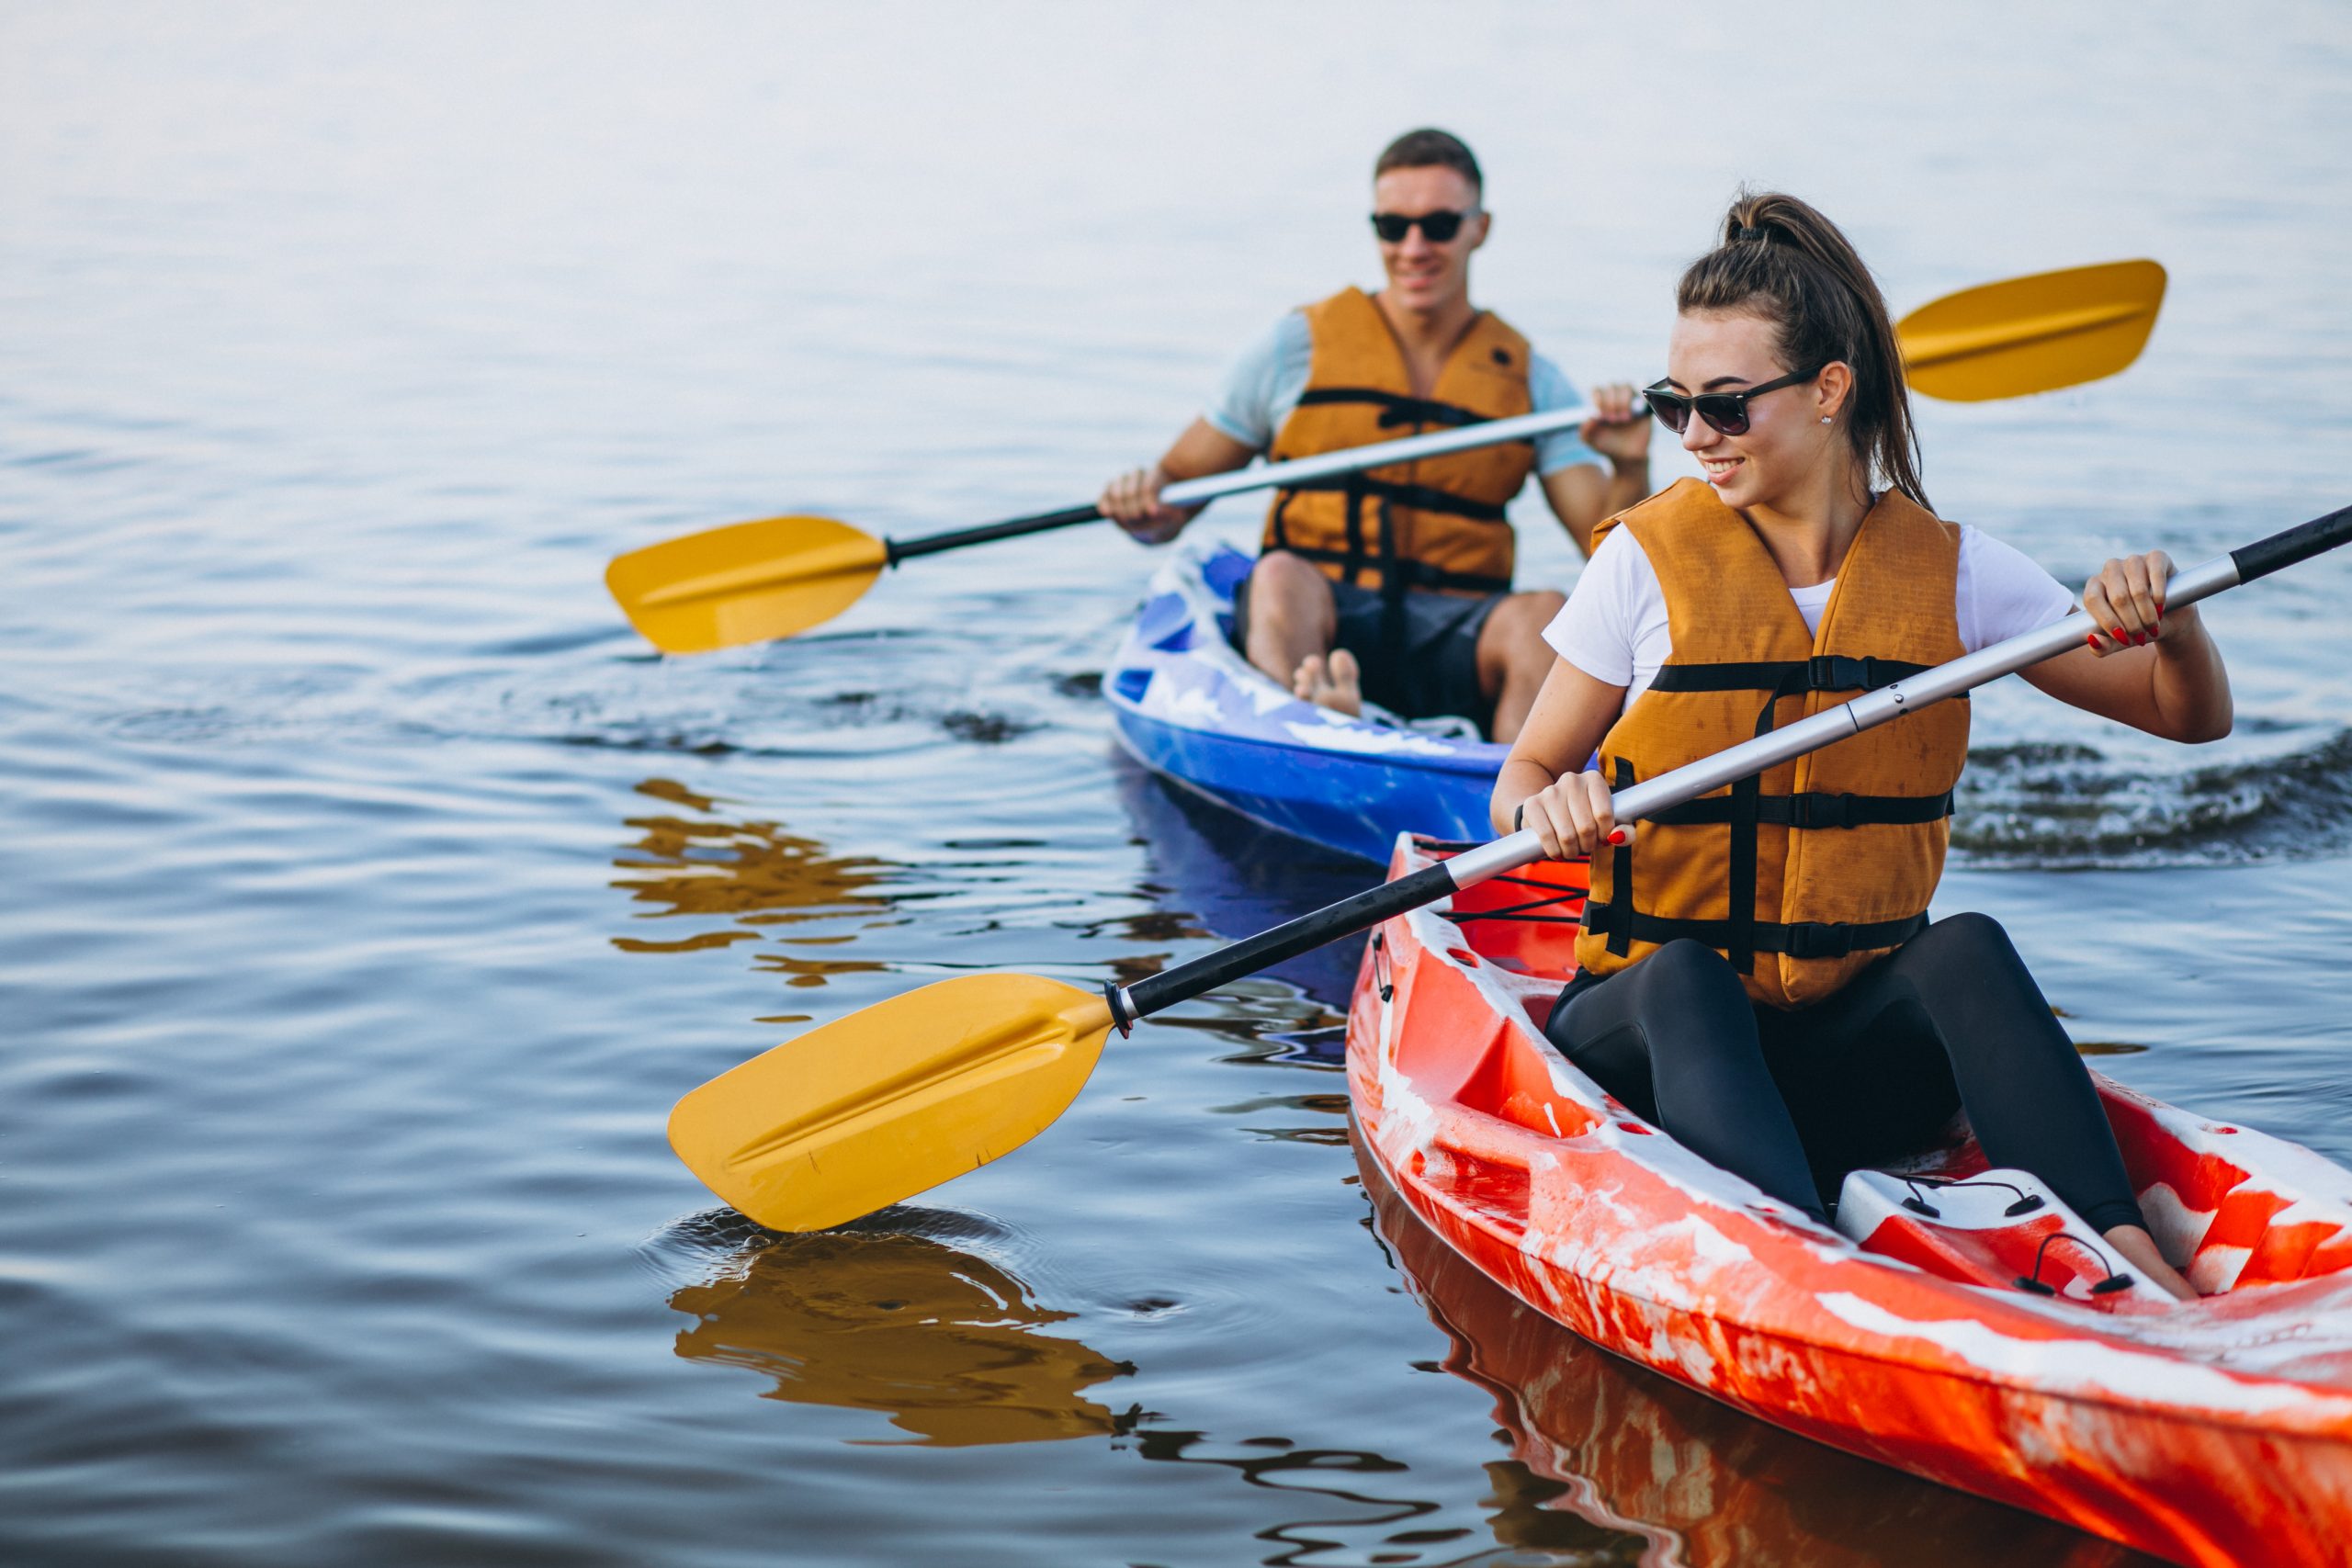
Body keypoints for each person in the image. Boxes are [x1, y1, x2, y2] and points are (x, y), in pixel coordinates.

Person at [1495, 191, 2233, 1301]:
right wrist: (1540, 810)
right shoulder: (1642, 564)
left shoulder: (1953, 570)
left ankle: (2128, 1256)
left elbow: (2185, 715)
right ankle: (1796, 1273)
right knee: (1686, 976)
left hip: (1851, 1062)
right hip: (1653, 1046)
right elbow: (1522, 776)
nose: (1694, 435)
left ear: (1829, 390)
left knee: (1964, 945)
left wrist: (2174, 623)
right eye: (1673, 404)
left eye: (1725, 406)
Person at [1098, 129, 1651, 743]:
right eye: (1394, 226)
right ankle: (1310, 729)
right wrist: (1143, 502)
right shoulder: (1292, 350)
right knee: (1277, 575)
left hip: (1455, 634)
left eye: (1439, 225)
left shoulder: (1531, 383)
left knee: (1544, 614)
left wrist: (1628, 466)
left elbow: (1611, 565)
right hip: (1326, 619)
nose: (1414, 247)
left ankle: (1514, 801)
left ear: (1480, 228)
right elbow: (1171, 502)